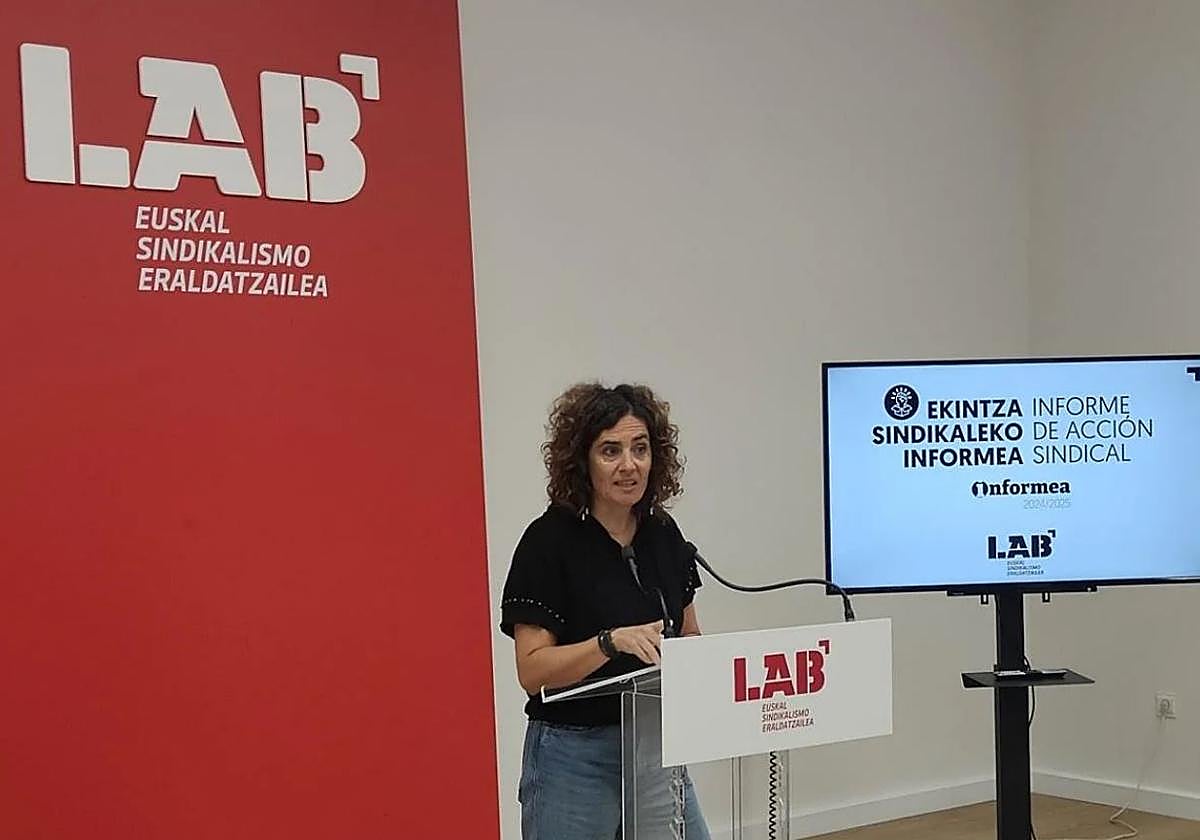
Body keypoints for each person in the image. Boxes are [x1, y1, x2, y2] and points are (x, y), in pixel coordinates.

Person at [499, 382, 712, 840]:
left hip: (653, 743)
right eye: (610, 451)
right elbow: (532, 670)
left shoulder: (662, 534)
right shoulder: (548, 541)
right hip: (574, 755)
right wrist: (608, 643)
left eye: (640, 448)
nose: (629, 465)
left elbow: (689, 634)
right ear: (583, 461)